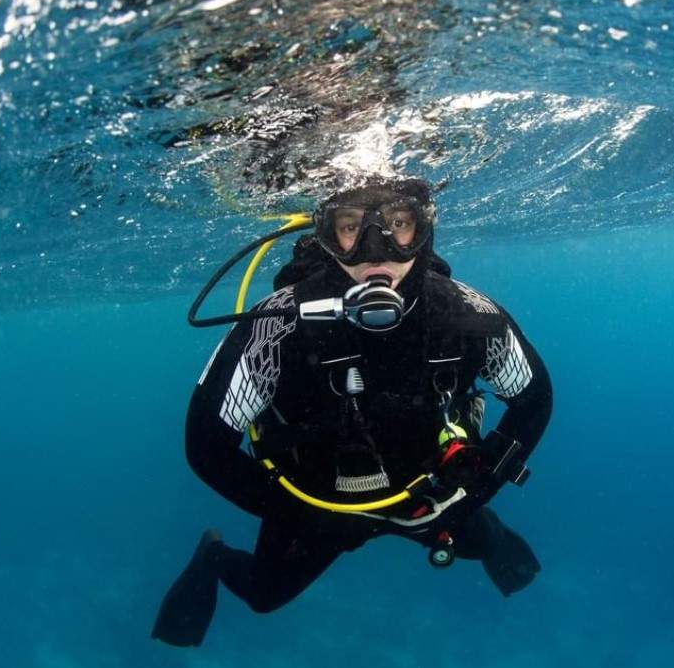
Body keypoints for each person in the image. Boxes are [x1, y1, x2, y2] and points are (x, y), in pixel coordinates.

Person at [152, 177, 553, 647]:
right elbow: (205, 445)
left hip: (426, 497)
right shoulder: (278, 323)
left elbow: (534, 399)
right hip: (317, 504)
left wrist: (474, 491)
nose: (374, 251)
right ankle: (213, 556)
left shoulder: (469, 315)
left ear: (423, 231)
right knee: (263, 595)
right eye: (350, 227)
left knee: (485, 543)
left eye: (398, 224)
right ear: (327, 235)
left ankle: (486, 534)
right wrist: (301, 516)